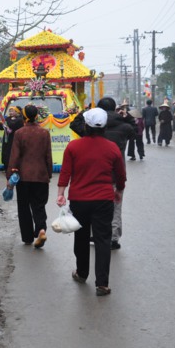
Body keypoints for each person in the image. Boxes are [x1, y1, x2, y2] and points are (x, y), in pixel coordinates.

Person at [57, 108, 126, 296]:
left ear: (86, 126)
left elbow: (65, 172)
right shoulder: (112, 147)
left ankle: (81, 273)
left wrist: (61, 193)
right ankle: (102, 284)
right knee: (103, 239)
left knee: (81, 237)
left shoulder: (73, 147)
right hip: (104, 200)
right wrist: (119, 191)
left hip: (79, 199)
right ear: (104, 127)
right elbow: (120, 174)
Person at [71, 97, 135, 250]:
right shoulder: (124, 126)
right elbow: (136, 131)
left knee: (94, 206)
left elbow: (74, 124)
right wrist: (127, 116)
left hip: (94, 174)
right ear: (115, 108)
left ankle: (96, 234)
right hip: (115, 174)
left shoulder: (91, 129)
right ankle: (113, 238)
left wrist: (87, 111)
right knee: (116, 207)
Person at [6, 104, 53, 247]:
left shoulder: (19, 133)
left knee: (24, 206)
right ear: (37, 116)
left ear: (24, 117)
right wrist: (49, 173)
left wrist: (10, 175)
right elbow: (48, 156)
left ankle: (27, 237)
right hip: (40, 175)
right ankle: (41, 230)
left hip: (23, 176)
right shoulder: (44, 133)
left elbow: (14, 156)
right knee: (39, 205)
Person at [0, 106, 24, 171]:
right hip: (7, 139)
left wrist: (4, 123)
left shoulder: (20, 119)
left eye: (12, 111)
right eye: (10, 111)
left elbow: (11, 125)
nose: (10, 112)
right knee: (6, 153)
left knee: (13, 152)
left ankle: (13, 167)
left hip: (14, 139)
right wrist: (0, 123)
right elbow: (1, 127)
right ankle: (6, 166)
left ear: (17, 112)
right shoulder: (8, 118)